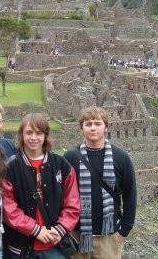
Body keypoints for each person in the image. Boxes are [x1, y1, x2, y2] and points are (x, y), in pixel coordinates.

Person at [2, 113, 80, 258]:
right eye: (29, 132)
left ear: (45, 135)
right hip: (21, 248)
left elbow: (72, 203)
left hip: (54, 245)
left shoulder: (62, 165)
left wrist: (61, 229)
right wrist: (35, 230)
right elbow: (8, 208)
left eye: (39, 133)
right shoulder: (9, 168)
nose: (33, 137)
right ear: (21, 135)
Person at [64, 107, 137, 259]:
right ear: (81, 128)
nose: (93, 128)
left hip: (109, 239)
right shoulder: (70, 158)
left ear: (106, 127)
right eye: (88, 124)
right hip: (78, 236)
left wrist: (124, 231)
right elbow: (62, 195)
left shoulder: (121, 158)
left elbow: (130, 195)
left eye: (98, 123)